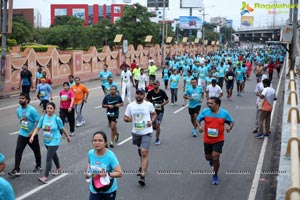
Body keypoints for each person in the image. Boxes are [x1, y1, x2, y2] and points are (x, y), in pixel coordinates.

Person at [30, 102, 71, 184]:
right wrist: (32, 136)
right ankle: (59, 169)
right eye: (47, 108)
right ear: (45, 109)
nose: (49, 109)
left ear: (54, 109)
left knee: (48, 158)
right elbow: (37, 128)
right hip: (46, 141)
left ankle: (45, 176)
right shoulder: (43, 118)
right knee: (54, 155)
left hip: (55, 141)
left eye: (51, 108)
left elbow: (62, 129)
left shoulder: (57, 119)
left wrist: (68, 136)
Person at [197, 97, 234, 185]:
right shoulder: (205, 112)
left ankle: (215, 175)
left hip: (219, 139)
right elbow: (198, 119)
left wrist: (229, 127)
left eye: (211, 103)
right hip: (207, 139)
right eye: (208, 103)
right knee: (208, 157)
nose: (209, 105)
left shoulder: (224, 113)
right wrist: (199, 126)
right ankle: (211, 160)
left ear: (217, 104)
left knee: (215, 157)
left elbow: (231, 121)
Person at [124, 89, 157, 186]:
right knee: (141, 151)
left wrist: (152, 121)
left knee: (144, 152)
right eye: (137, 94)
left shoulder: (148, 105)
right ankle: (142, 164)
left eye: (141, 94)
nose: (138, 96)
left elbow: (154, 114)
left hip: (147, 131)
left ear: (144, 95)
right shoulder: (130, 106)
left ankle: (142, 176)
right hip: (136, 132)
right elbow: (125, 117)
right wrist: (128, 119)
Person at [8, 92, 42, 176]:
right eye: (19, 98)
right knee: (18, 150)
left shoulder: (32, 110)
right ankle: (16, 169)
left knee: (36, 151)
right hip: (22, 134)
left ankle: (38, 165)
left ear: (27, 100)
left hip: (31, 135)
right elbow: (21, 119)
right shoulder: (18, 110)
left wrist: (32, 132)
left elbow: (38, 122)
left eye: (22, 98)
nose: (20, 100)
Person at [85, 131, 122, 200]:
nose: (97, 143)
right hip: (95, 187)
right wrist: (87, 173)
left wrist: (107, 174)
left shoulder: (110, 156)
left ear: (105, 143)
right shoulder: (90, 153)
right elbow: (89, 163)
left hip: (108, 189)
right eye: (95, 140)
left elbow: (119, 173)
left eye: (100, 140)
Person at [146, 80, 169, 145]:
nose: (154, 85)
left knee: (157, 125)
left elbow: (167, 100)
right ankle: (157, 128)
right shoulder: (150, 92)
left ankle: (157, 138)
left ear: (158, 85)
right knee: (153, 126)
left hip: (160, 111)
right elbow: (146, 100)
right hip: (152, 112)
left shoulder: (162, 92)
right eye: (153, 84)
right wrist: (150, 104)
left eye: (155, 84)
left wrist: (161, 105)